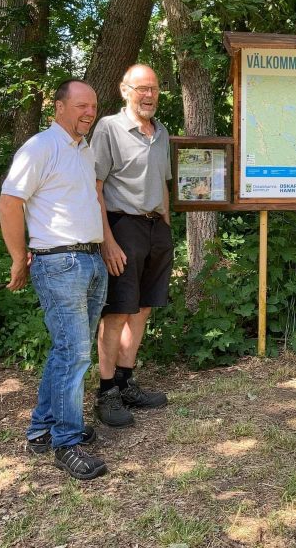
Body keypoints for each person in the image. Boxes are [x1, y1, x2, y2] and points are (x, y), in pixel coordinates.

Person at [0, 79, 109, 480]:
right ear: (59, 107)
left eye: (93, 106)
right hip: (58, 262)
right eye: (81, 105)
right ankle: (67, 442)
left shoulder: (84, 149)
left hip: (90, 260)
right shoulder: (41, 146)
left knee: (67, 350)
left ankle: (42, 430)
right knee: (76, 353)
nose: (88, 113)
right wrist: (17, 257)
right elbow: (9, 202)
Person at [89, 64, 173, 427]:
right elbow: (93, 187)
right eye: (142, 88)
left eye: (153, 88)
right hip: (122, 227)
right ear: (125, 90)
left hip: (156, 228)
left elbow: (164, 184)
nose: (149, 95)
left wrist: (167, 228)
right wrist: (106, 241)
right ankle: (105, 391)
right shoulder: (108, 128)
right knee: (117, 312)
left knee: (142, 309)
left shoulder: (161, 132)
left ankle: (126, 381)